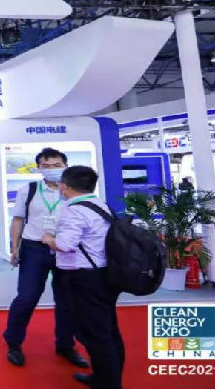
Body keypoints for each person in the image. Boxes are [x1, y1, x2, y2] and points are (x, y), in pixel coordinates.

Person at [3, 148, 87, 369]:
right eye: (46, 166)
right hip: (35, 248)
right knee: (27, 297)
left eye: (56, 165)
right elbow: (18, 219)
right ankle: (13, 342)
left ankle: (65, 345)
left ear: (66, 166)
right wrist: (15, 248)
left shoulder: (75, 191)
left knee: (67, 299)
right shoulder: (28, 190)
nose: (51, 169)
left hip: (66, 249)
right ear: (39, 168)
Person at [41, 166, 124, 389]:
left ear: (64, 187)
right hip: (104, 273)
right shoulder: (101, 205)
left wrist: (49, 239)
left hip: (83, 278)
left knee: (93, 332)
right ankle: (106, 376)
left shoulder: (74, 210)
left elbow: (65, 245)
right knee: (108, 328)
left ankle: (108, 383)